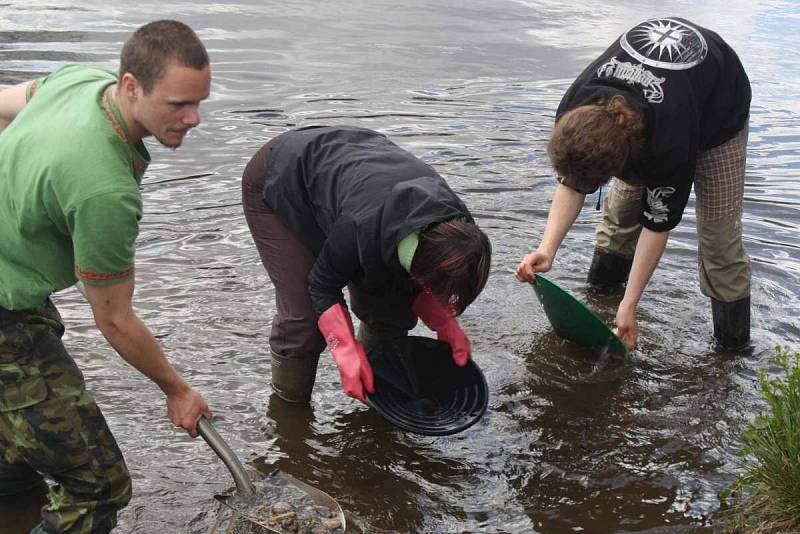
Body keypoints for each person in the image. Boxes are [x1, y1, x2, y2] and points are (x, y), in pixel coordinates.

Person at [0, 20, 213, 534]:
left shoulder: (78, 83)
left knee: (20, 432)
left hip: (13, 289)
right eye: (178, 104)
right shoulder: (105, 190)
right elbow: (115, 321)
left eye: (199, 102)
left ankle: (13, 515)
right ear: (131, 86)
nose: (192, 119)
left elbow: (3, 107)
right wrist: (177, 390)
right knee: (96, 484)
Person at [515, 17, 751, 351]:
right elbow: (573, 183)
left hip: (719, 111)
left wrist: (630, 305)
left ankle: (731, 354)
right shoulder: (574, 110)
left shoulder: (667, 146)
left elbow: (657, 226)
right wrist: (547, 248)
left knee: (719, 243)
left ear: (621, 164)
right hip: (651, 114)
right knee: (621, 215)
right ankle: (601, 301)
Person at [243, 125, 491, 404]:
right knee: (305, 319)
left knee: (391, 311)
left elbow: (423, 281)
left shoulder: (462, 228)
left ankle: (379, 396)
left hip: (357, 180)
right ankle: (289, 410)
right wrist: (344, 349)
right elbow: (322, 285)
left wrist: (445, 323)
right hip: (281, 178)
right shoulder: (361, 226)